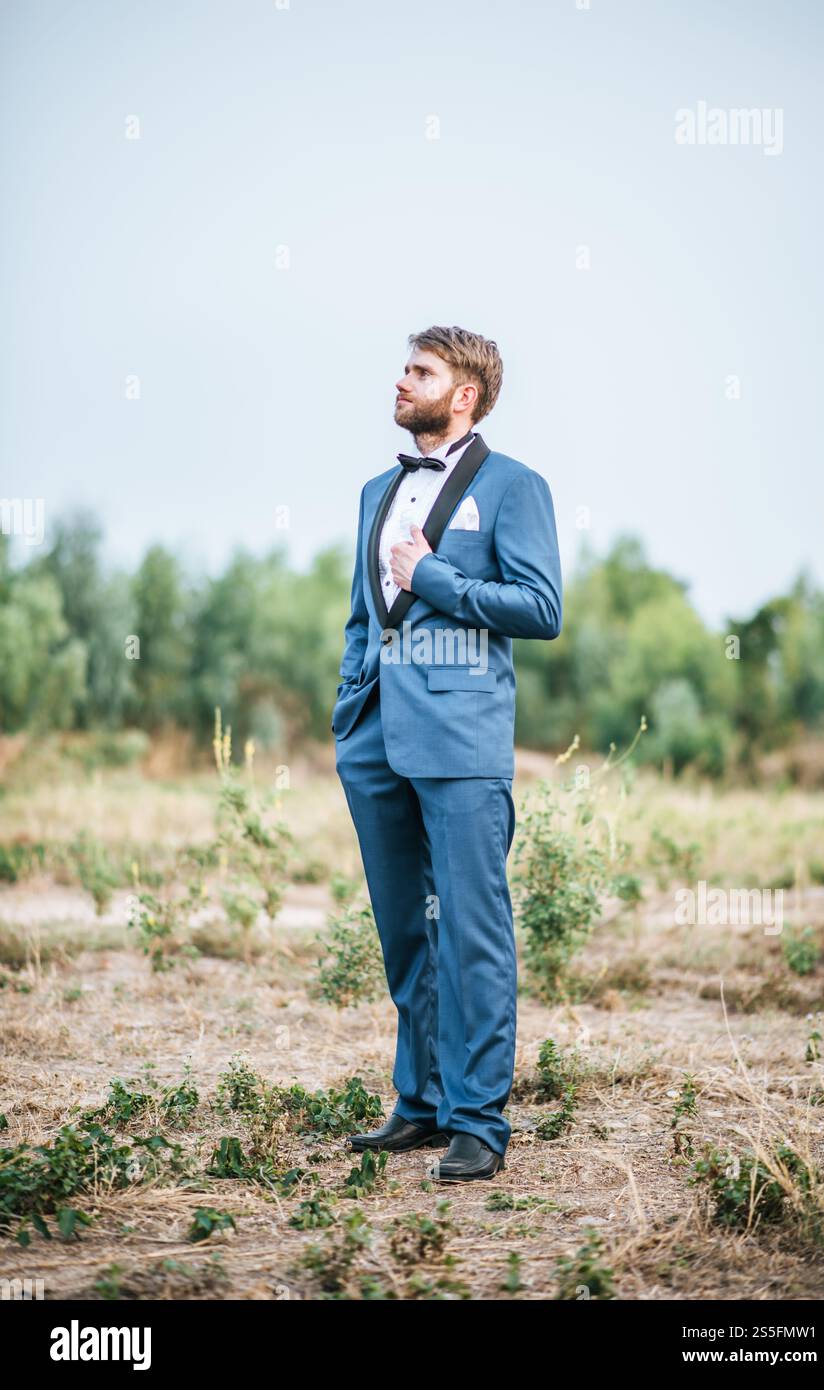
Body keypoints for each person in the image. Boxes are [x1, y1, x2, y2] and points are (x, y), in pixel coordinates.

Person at [332, 325, 562, 1181]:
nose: (401, 380)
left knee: (470, 933)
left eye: (419, 371)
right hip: (374, 737)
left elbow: (540, 607)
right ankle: (420, 1104)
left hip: (463, 741)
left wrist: (434, 577)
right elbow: (364, 614)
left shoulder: (514, 487)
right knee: (405, 932)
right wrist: (348, 704)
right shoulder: (372, 491)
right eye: (403, 366)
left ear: (461, 394)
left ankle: (476, 1120)